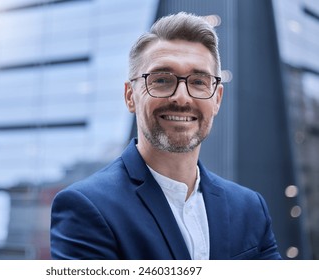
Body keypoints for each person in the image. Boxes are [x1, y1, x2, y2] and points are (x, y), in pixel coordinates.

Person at [50, 12, 282, 260]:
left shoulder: (249, 208)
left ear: (217, 99)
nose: (182, 97)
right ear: (130, 96)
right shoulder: (85, 207)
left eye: (199, 82)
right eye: (161, 79)